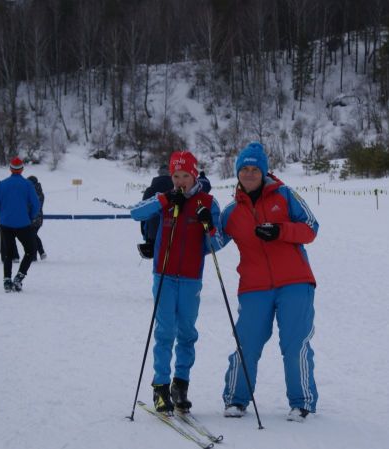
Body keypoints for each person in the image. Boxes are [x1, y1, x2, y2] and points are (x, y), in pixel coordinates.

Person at [217, 142, 319, 422]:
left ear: (264, 172)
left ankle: (302, 402)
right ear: (237, 173)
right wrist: (201, 220)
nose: (249, 174)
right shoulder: (231, 212)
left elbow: (311, 228)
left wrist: (280, 231)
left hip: (295, 282)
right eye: (244, 169)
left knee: (294, 344)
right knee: (247, 343)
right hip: (254, 287)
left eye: (255, 169)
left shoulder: (284, 195)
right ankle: (236, 400)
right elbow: (212, 242)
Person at [129, 150, 221, 414]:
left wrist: (208, 225)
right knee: (164, 332)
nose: (181, 181)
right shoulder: (165, 199)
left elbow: (216, 244)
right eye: (176, 176)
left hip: (191, 278)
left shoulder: (208, 202)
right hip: (164, 275)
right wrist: (164, 199)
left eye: (185, 176)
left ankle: (180, 385)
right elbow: (135, 213)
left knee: (187, 333)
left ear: (194, 176)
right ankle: (160, 386)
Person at [0, 157, 40, 293]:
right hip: (23, 223)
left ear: (10, 169)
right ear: (22, 169)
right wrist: (31, 216)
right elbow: (36, 204)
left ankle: (7, 280)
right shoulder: (27, 184)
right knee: (30, 251)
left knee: (8, 253)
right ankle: (19, 277)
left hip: (5, 223)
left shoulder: (2, 184)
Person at [138, 164, 174, 259]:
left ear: (159, 173)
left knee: (159, 263)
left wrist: (145, 235)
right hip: (173, 233)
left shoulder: (150, 190)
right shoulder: (176, 189)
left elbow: (144, 214)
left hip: (153, 234)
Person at [27, 175, 46, 260]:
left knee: (32, 236)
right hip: (38, 218)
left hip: (34, 218)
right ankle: (38, 253)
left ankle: (39, 253)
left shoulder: (32, 192)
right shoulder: (39, 192)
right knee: (33, 235)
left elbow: (31, 205)